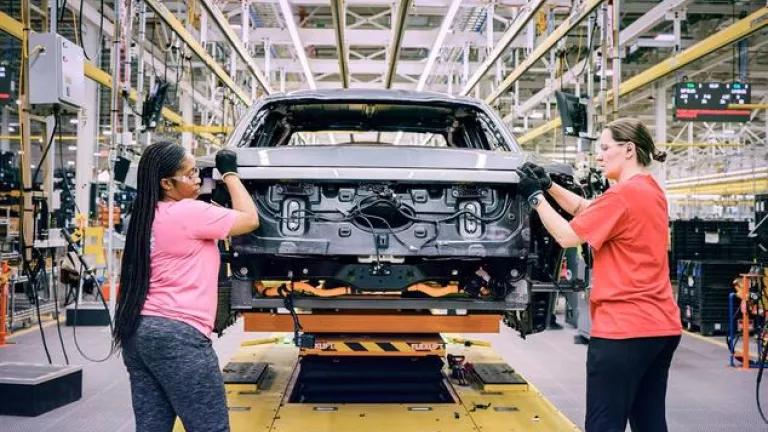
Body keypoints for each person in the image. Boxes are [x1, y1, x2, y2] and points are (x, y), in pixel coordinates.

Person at [517, 118, 682, 432]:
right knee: (650, 423)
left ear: (629, 149)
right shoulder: (650, 191)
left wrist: (534, 198)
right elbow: (587, 208)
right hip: (661, 327)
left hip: (623, 331)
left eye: (606, 148)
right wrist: (550, 187)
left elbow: (566, 236)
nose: (600, 156)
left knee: (604, 424)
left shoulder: (621, 197)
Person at [113, 142, 259, 432]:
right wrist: (230, 174)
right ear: (166, 183)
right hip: (178, 336)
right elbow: (250, 220)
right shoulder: (188, 213)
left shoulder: (144, 216)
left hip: (139, 334)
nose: (198, 180)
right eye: (190, 174)